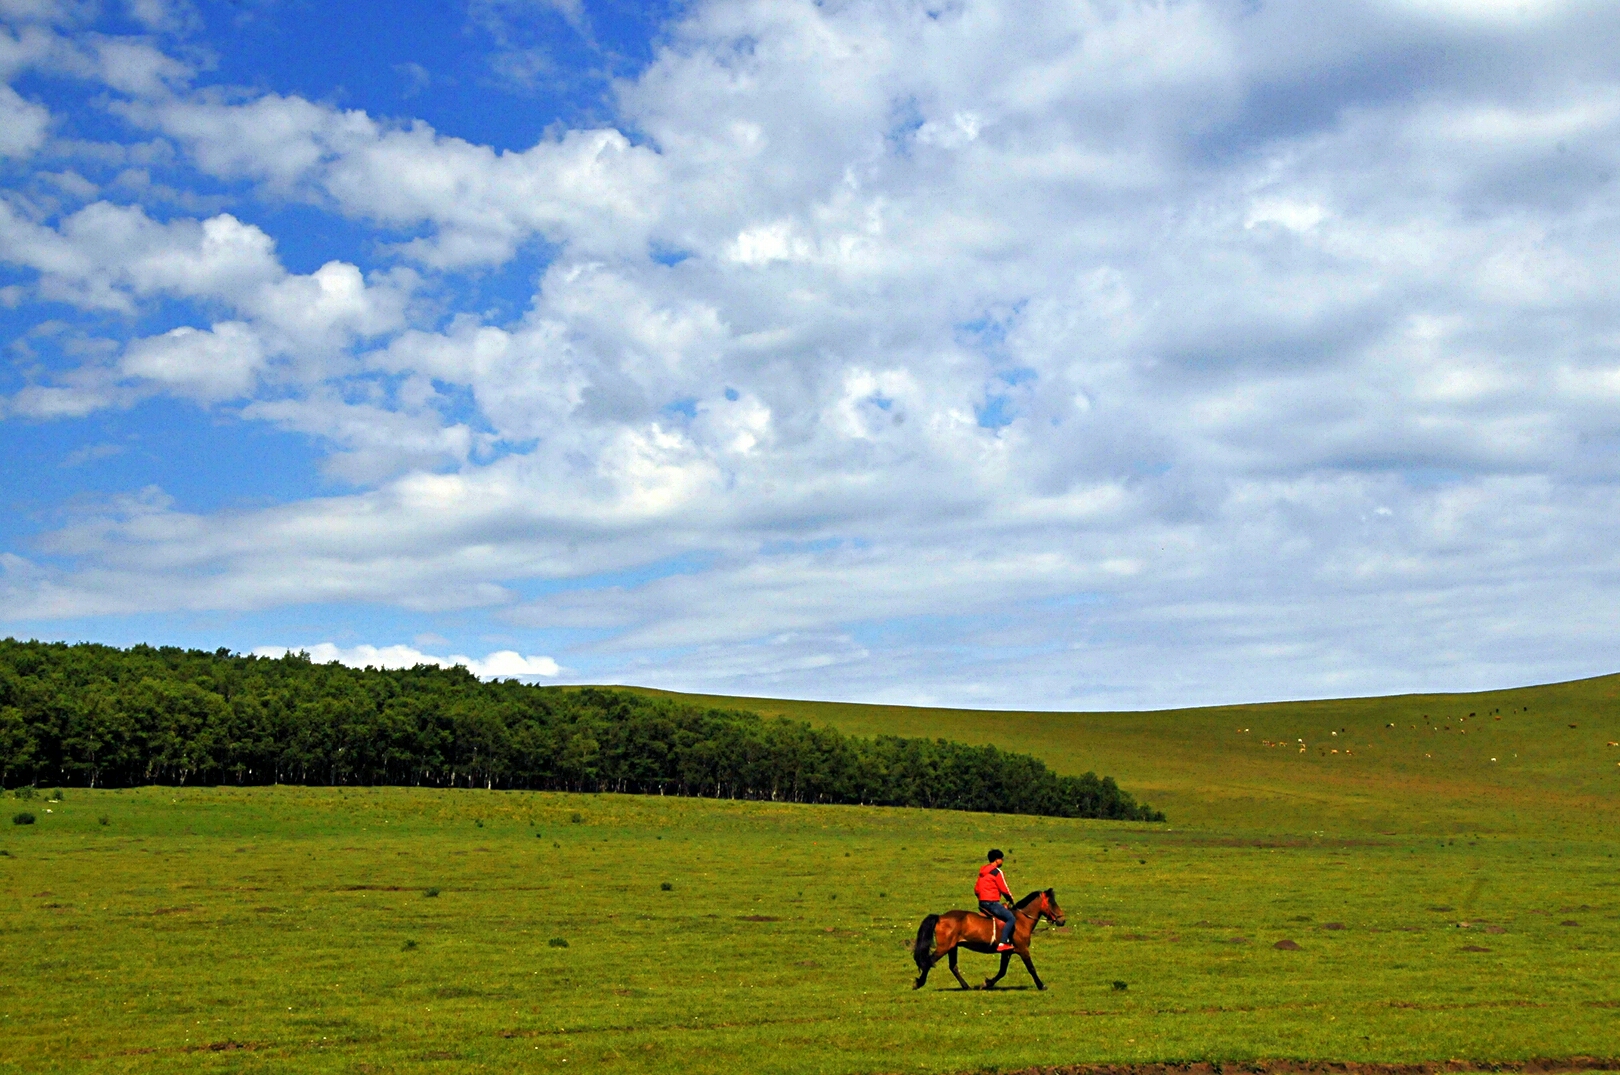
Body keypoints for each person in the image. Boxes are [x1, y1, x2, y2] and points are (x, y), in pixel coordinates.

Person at [975, 848, 1016, 952]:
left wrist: (981, 898)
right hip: (992, 903)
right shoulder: (997, 872)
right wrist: (1010, 899)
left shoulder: (983, 872)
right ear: (997, 860)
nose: (1002, 861)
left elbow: (976, 889)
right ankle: (1003, 943)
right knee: (1011, 918)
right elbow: (1004, 889)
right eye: (1001, 859)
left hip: (982, 902)